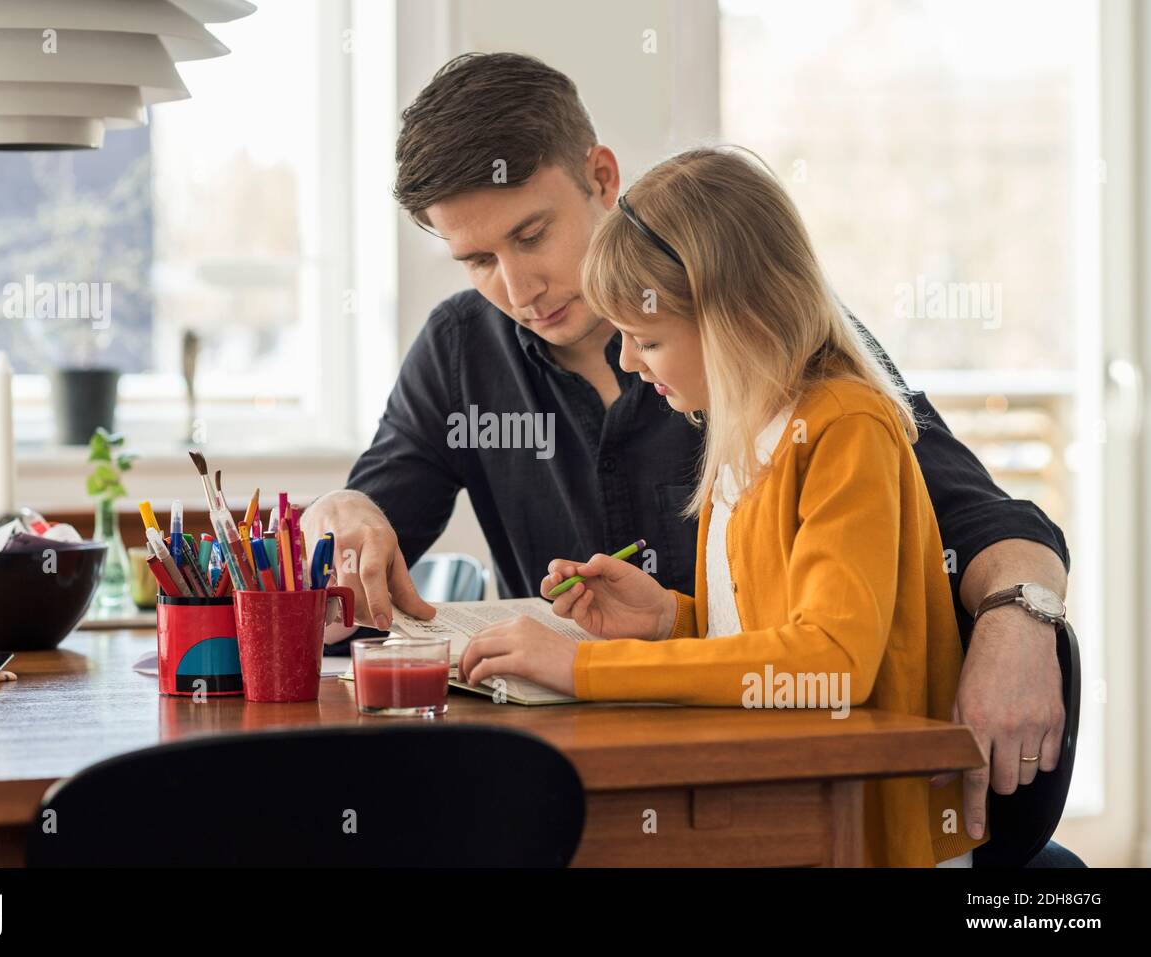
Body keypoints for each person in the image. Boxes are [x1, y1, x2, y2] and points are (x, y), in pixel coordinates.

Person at [301, 52, 1079, 864]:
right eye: (477, 261)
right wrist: (344, 511)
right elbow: (374, 512)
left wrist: (1020, 617)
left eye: (532, 234)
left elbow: (964, 526)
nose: (519, 286)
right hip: (589, 790)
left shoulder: (791, 367)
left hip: (795, 798)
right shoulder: (465, 351)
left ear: (601, 176)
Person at [458, 145, 980, 866]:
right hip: (786, 795)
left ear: (741, 319)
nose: (629, 364)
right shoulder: (743, 430)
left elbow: (829, 661)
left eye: (647, 339)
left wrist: (580, 670)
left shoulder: (842, 427)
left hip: (867, 832)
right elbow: (774, 629)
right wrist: (671, 618)